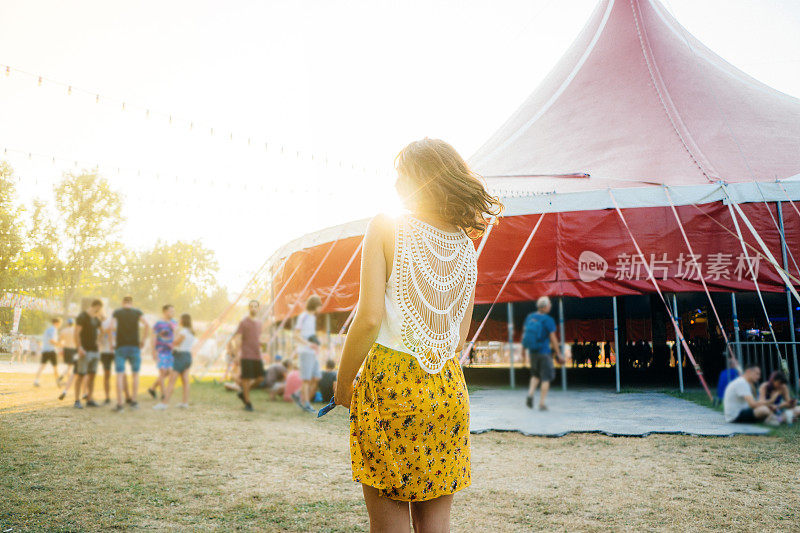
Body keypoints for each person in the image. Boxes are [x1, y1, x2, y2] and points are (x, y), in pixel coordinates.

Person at [335, 138, 502, 531]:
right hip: (446, 387)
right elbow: (458, 339)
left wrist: (343, 385)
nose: (394, 184)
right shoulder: (466, 246)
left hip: (390, 385)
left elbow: (368, 317)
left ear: (423, 180)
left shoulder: (386, 225)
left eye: (402, 174)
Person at [522, 296, 564, 411]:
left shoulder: (530, 317)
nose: (550, 306)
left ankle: (530, 395)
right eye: (549, 304)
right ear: (545, 307)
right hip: (544, 353)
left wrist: (524, 351)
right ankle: (541, 404)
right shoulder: (548, 320)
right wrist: (559, 353)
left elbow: (526, 335)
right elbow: (553, 338)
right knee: (545, 378)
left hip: (533, 352)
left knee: (535, 375)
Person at [112, 296, 150, 412]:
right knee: (135, 375)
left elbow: (111, 327)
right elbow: (147, 325)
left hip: (121, 346)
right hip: (134, 346)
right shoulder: (137, 312)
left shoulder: (117, 312)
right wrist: (143, 340)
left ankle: (120, 404)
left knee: (119, 375)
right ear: (131, 303)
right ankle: (134, 402)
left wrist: (112, 342)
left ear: (122, 303)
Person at [230, 300, 264, 411]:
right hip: (246, 354)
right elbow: (238, 338)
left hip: (257, 355)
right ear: (248, 308)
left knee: (260, 378)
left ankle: (244, 393)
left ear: (258, 308)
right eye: (251, 306)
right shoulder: (243, 322)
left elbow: (258, 338)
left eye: (255, 306)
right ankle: (248, 403)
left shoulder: (259, 323)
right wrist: (236, 354)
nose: (253, 308)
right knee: (246, 379)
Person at [155, 313, 195, 409]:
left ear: (183, 320)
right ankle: (184, 403)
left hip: (180, 356)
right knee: (185, 381)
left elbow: (175, 343)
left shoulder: (183, 332)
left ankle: (164, 404)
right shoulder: (191, 332)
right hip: (187, 356)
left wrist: (174, 332)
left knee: (171, 381)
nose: (179, 321)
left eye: (180, 319)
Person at [293, 295, 323, 413]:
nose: (321, 308)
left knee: (316, 377)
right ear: (315, 305)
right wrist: (308, 344)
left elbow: (310, 335)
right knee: (306, 379)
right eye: (319, 305)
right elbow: (296, 335)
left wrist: (315, 345)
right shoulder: (303, 317)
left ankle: (297, 394)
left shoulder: (312, 318)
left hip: (312, 352)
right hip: (305, 352)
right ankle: (306, 404)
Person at [73, 300, 103, 408]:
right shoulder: (82, 316)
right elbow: (76, 333)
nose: (99, 310)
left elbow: (102, 331)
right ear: (96, 306)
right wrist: (79, 347)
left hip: (95, 351)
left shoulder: (96, 318)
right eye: (99, 308)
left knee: (92, 375)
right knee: (81, 375)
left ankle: (90, 399)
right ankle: (77, 400)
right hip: (84, 350)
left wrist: (99, 342)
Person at [149, 304, 176, 400]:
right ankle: (163, 394)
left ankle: (152, 388)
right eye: (171, 311)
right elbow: (153, 337)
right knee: (162, 371)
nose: (173, 313)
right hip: (160, 350)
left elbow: (176, 335)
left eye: (173, 311)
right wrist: (153, 351)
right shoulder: (158, 324)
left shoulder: (174, 322)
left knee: (168, 372)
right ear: (165, 311)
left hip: (170, 351)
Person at [34, 318, 62, 387]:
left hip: (45, 350)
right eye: (60, 323)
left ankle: (36, 381)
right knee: (55, 367)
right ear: (56, 323)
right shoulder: (54, 329)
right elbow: (51, 340)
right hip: (51, 350)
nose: (60, 325)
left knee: (42, 366)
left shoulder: (47, 330)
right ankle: (58, 382)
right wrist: (59, 344)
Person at [97, 312, 117, 405]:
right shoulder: (97, 325)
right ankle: (107, 397)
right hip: (105, 352)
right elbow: (98, 340)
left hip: (116, 352)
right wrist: (103, 332)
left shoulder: (112, 321)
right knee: (107, 374)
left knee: (121, 373)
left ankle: (126, 397)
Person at [58, 318, 77, 385]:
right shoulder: (75, 330)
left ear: (67, 324)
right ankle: (61, 378)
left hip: (66, 349)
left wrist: (60, 350)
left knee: (70, 366)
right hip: (73, 350)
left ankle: (68, 381)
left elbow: (60, 341)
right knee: (71, 366)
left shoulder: (64, 331)